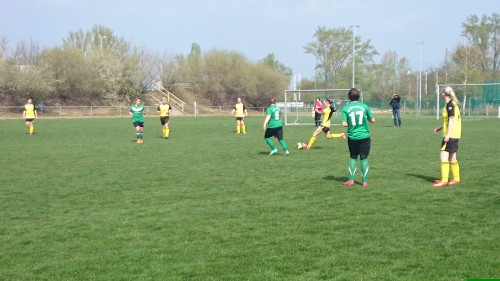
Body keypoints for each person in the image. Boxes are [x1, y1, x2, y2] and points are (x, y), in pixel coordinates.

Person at [341, 88, 376, 187]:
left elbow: (344, 124)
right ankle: (364, 181)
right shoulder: (364, 106)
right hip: (365, 136)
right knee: (364, 157)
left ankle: (351, 180)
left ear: (349, 97)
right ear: (359, 97)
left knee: (353, 156)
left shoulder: (346, 109)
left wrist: (349, 123)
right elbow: (373, 120)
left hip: (353, 137)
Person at [433, 86, 462, 187]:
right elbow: (449, 121)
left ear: (444, 94)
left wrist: (448, 135)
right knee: (452, 156)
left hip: (451, 135)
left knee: (443, 156)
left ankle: (444, 180)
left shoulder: (450, 105)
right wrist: (440, 128)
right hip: (455, 134)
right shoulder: (453, 104)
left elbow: (452, 119)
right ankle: (456, 178)